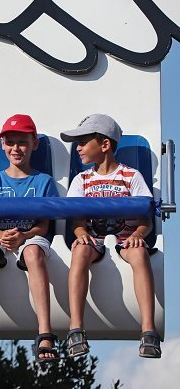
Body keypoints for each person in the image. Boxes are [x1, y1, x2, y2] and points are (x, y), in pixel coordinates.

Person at [0, 114, 60, 364]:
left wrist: (24, 235)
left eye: (22, 142)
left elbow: (44, 225)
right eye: (11, 142)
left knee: (33, 253)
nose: (16, 148)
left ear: (34, 144)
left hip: (29, 237)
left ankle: (45, 332)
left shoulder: (44, 182)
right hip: (0, 237)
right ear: (2, 145)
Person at [61, 114, 161, 359]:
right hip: (94, 240)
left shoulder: (131, 176)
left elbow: (145, 221)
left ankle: (148, 329)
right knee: (80, 250)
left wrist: (138, 234)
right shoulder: (81, 180)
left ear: (105, 145)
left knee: (138, 252)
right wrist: (82, 233)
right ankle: (76, 328)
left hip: (126, 238)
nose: (79, 148)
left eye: (83, 142)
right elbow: (77, 220)